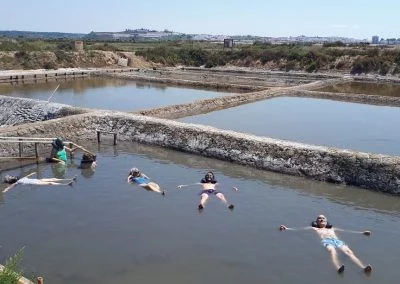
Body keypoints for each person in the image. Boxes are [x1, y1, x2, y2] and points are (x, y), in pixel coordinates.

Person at [279, 214, 372, 274]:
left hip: (337, 241)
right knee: (332, 251)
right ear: (316, 222)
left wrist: (362, 233)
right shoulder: (315, 228)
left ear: (326, 221)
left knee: (349, 252)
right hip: (326, 241)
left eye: (323, 218)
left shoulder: (332, 229)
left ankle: (363, 267)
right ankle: (338, 267)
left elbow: (348, 231)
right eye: (319, 218)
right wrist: (287, 229)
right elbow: (299, 229)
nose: (321, 219)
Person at [3, 172, 77, 193]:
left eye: (11, 176)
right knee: (50, 183)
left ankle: (70, 178)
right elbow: (11, 186)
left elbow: (27, 175)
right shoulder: (17, 182)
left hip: (37, 180)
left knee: (52, 178)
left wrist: (31, 174)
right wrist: (6, 190)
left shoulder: (21, 178)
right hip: (37, 183)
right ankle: (67, 184)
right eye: (10, 178)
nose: (12, 177)